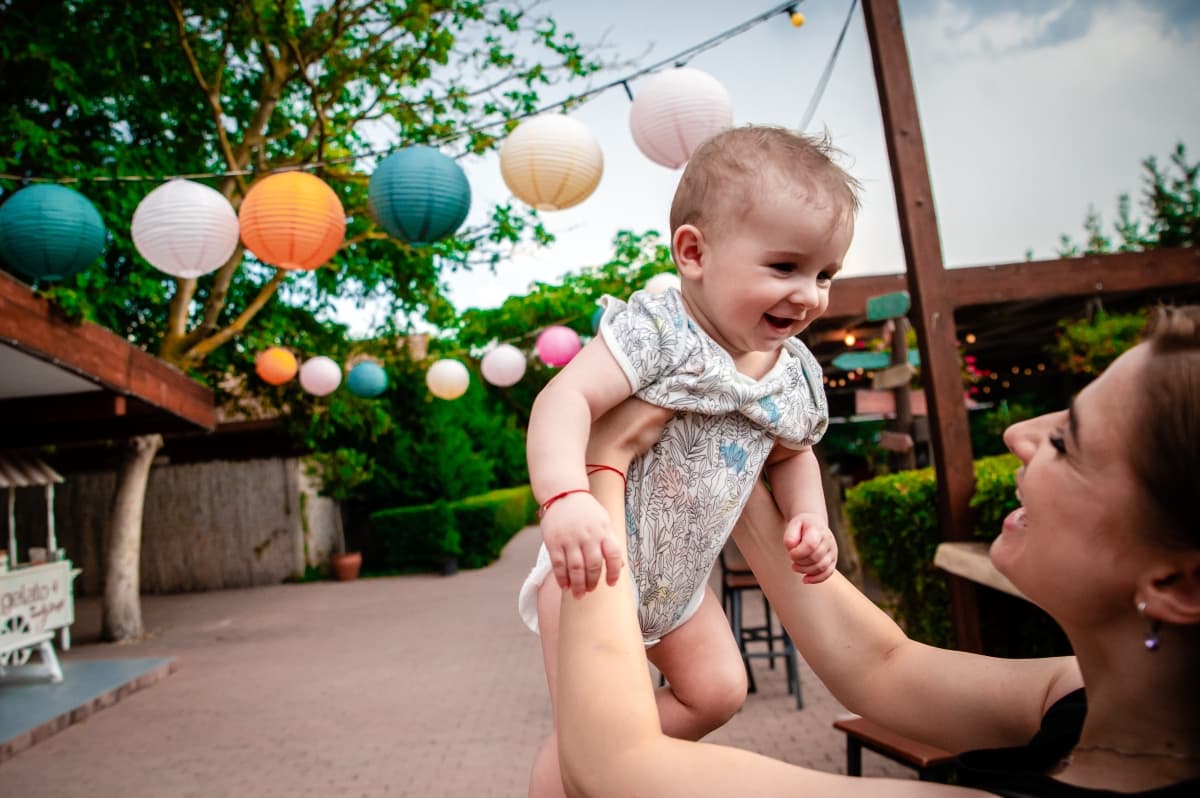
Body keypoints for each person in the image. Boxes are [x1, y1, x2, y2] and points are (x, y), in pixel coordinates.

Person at [555, 304, 1200, 797]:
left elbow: (616, 766)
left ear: (1177, 586)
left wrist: (605, 465)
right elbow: (884, 667)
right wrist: (730, 421)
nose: (1018, 433)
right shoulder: (1090, 701)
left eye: (1068, 441)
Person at [518, 125, 858, 797]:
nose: (811, 294)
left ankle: (628, 758)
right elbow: (563, 401)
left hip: (679, 589)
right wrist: (564, 499)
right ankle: (578, 776)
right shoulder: (661, 331)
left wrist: (811, 519)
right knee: (588, 740)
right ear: (694, 253)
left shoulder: (791, 375)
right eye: (786, 267)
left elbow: (794, 453)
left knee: (720, 691)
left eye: (825, 274)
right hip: (591, 567)